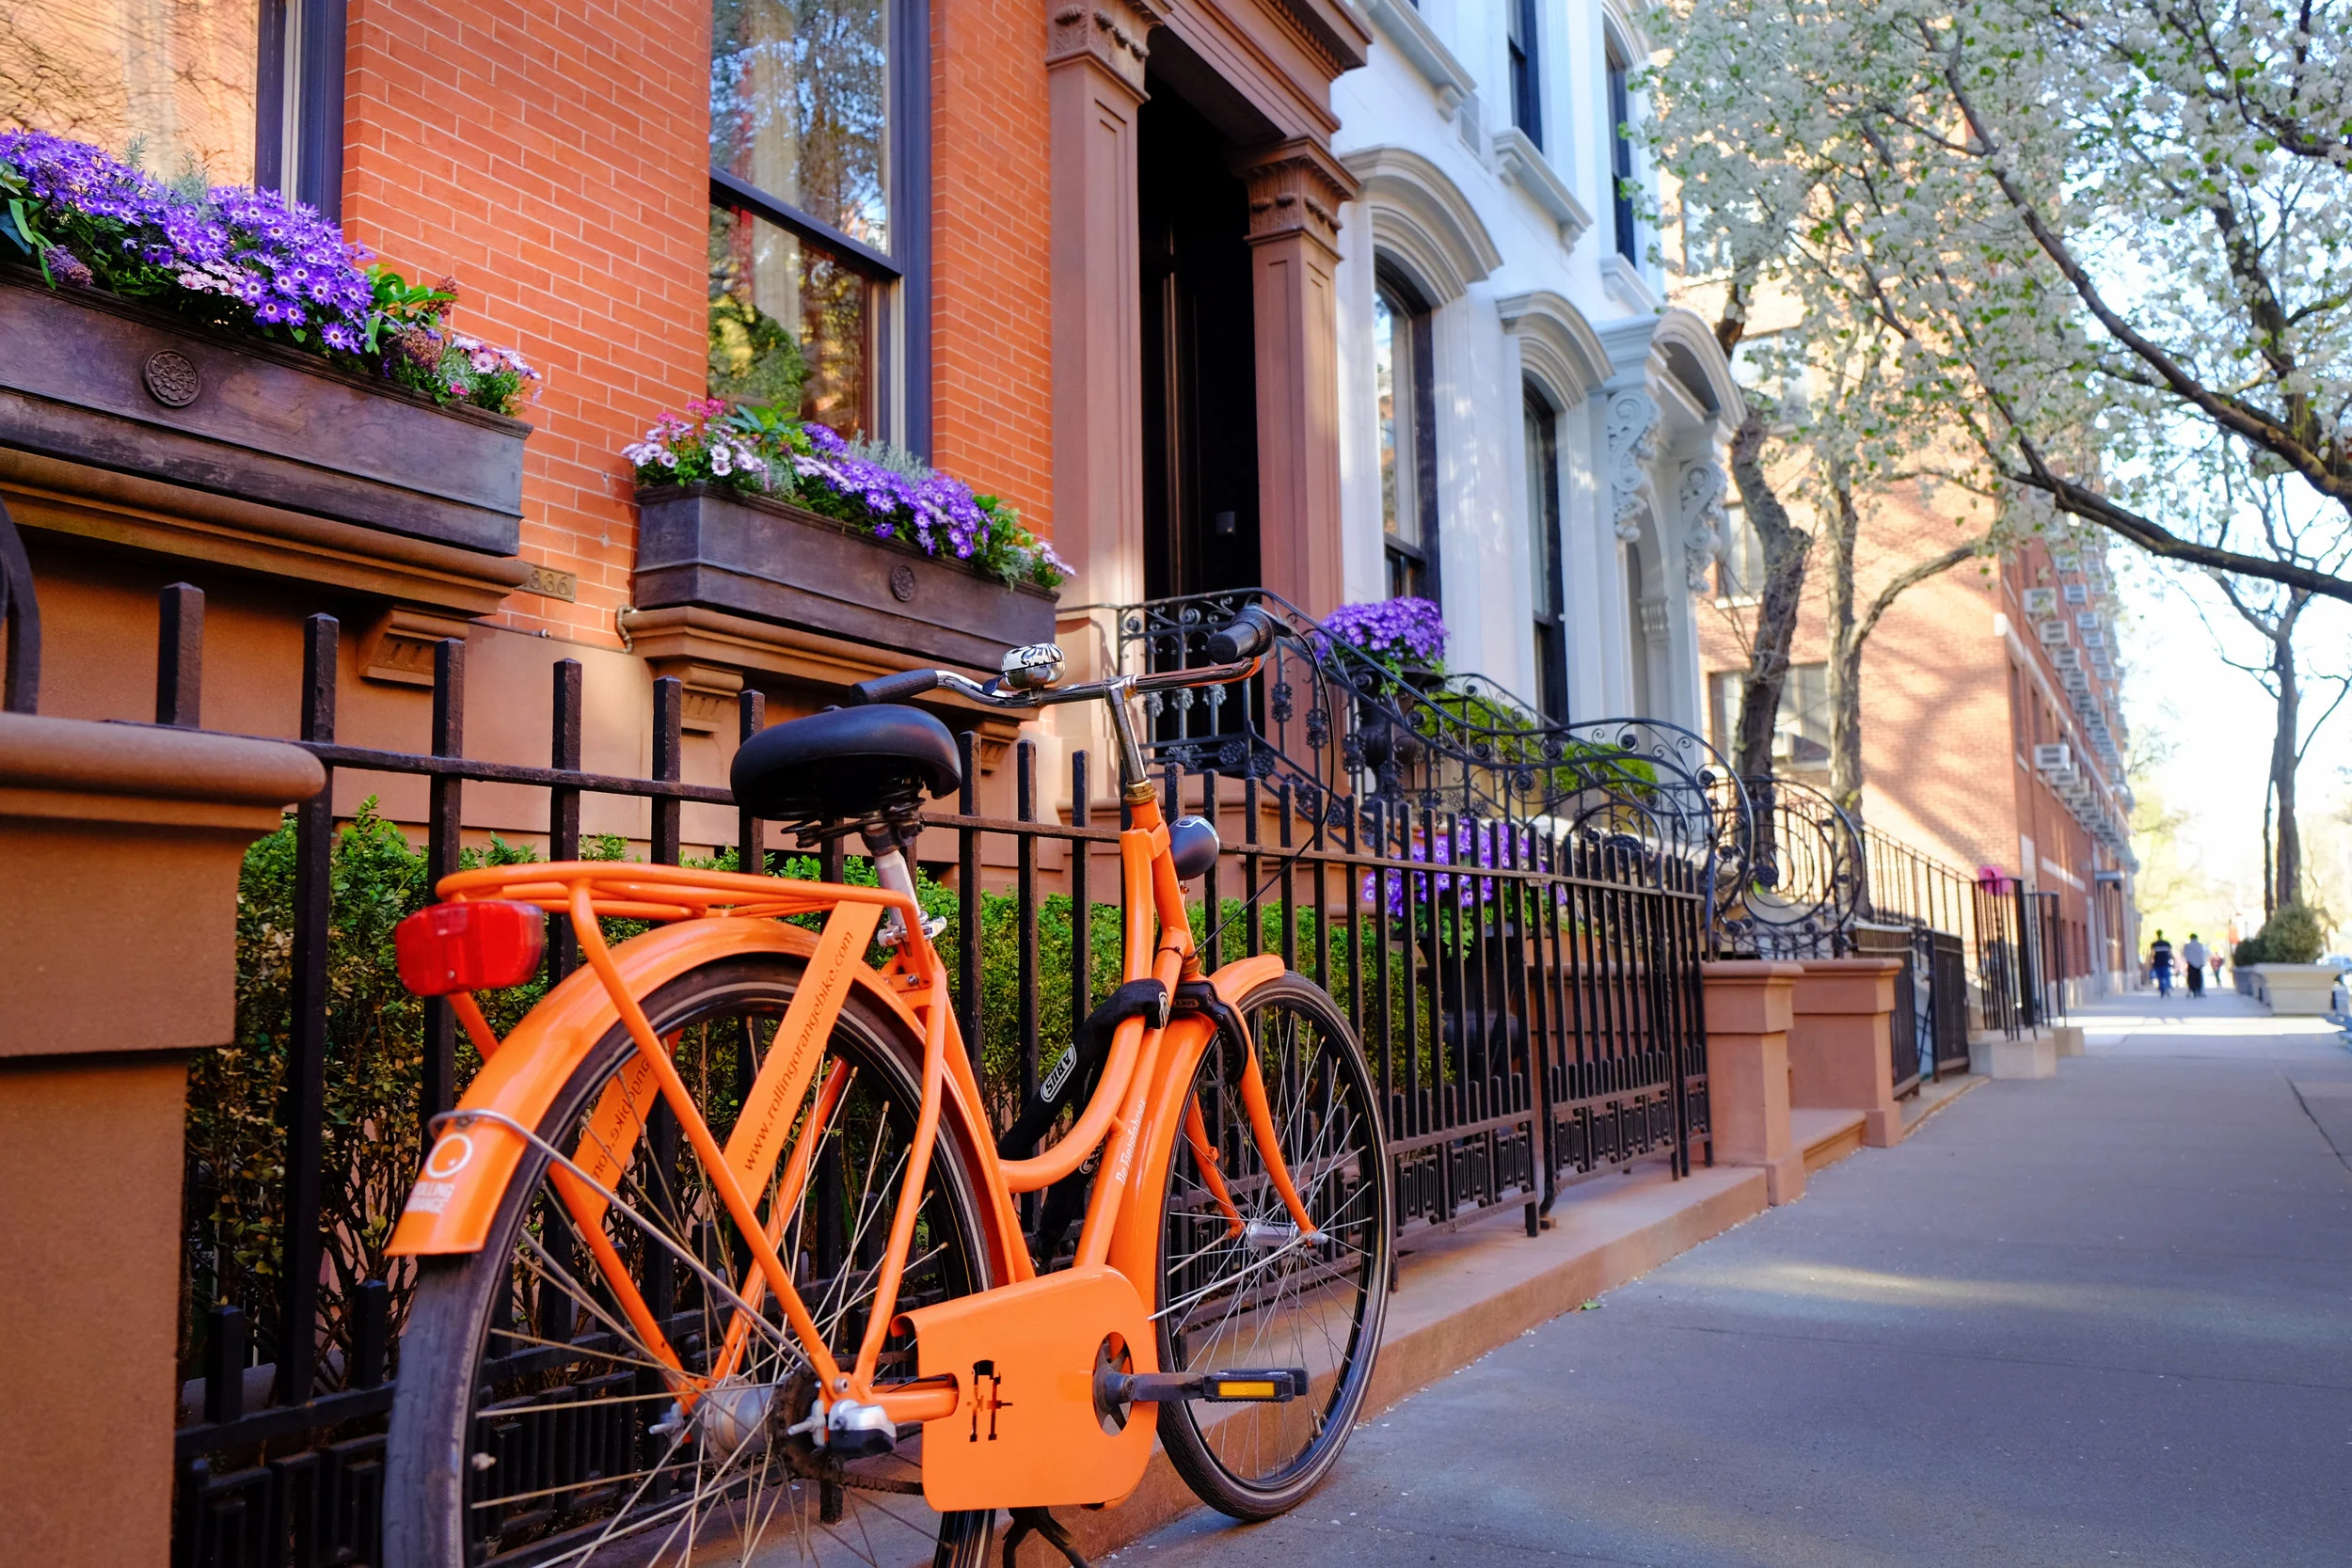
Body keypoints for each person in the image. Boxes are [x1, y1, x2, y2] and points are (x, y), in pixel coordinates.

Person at [2182, 933, 2208, 998]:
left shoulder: (2187, 946)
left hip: (2191, 964)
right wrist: (2202, 962)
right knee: (2199, 978)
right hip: (2199, 964)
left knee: (2191, 978)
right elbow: (2202, 954)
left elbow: (2185, 955)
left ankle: (2192, 990)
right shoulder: (2200, 945)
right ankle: (2199, 990)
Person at [2150, 931, 2174, 997]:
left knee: (2160, 977)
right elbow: (2170, 953)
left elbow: (2151, 955)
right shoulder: (2166, 944)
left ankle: (2162, 990)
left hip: (2157, 963)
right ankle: (2168, 987)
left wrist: (2150, 963)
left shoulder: (2154, 944)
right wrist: (2173, 960)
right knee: (2166, 976)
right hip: (2165, 962)